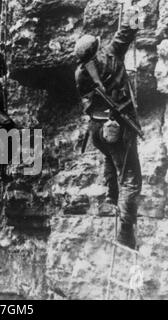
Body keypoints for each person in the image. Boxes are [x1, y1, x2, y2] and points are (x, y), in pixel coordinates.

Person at [74, 6, 142, 249]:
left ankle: (110, 196)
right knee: (131, 178)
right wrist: (136, 10)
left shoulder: (80, 73)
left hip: (97, 129)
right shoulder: (112, 54)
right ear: (97, 47)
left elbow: (87, 100)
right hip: (118, 127)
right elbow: (128, 31)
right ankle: (125, 232)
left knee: (110, 158)